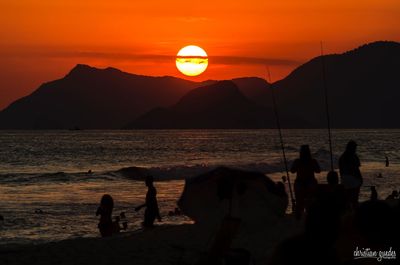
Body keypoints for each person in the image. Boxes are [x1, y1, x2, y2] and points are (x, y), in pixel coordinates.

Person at [290, 145, 321, 219]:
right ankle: (310, 213)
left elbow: (292, 171)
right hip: (310, 183)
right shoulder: (313, 161)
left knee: (299, 201)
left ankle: (298, 214)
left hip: (299, 184)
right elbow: (318, 171)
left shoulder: (297, 161)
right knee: (311, 200)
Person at [339, 140, 363, 208]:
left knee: (348, 197)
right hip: (352, 179)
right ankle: (355, 207)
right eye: (355, 148)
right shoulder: (353, 156)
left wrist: (342, 179)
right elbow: (356, 170)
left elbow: (341, 171)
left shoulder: (342, 157)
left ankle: (349, 207)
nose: (355, 149)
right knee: (355, 197)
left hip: (344, 179)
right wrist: (361, 179)